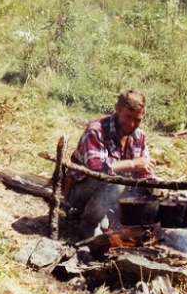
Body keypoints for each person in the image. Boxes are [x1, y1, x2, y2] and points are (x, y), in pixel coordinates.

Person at [65, 89, 157, 239]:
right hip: (81, 190)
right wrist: (133, 164)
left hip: (109, 195)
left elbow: (143, 170)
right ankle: (88, 226)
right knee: (113, 182)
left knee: (149, 191)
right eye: (128, 116)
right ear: (117, 109)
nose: (132, 123)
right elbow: (95, 168)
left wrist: (154, 184)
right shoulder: (97, 130)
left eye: (138, 119)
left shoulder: (139, 135)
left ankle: (131, 227)